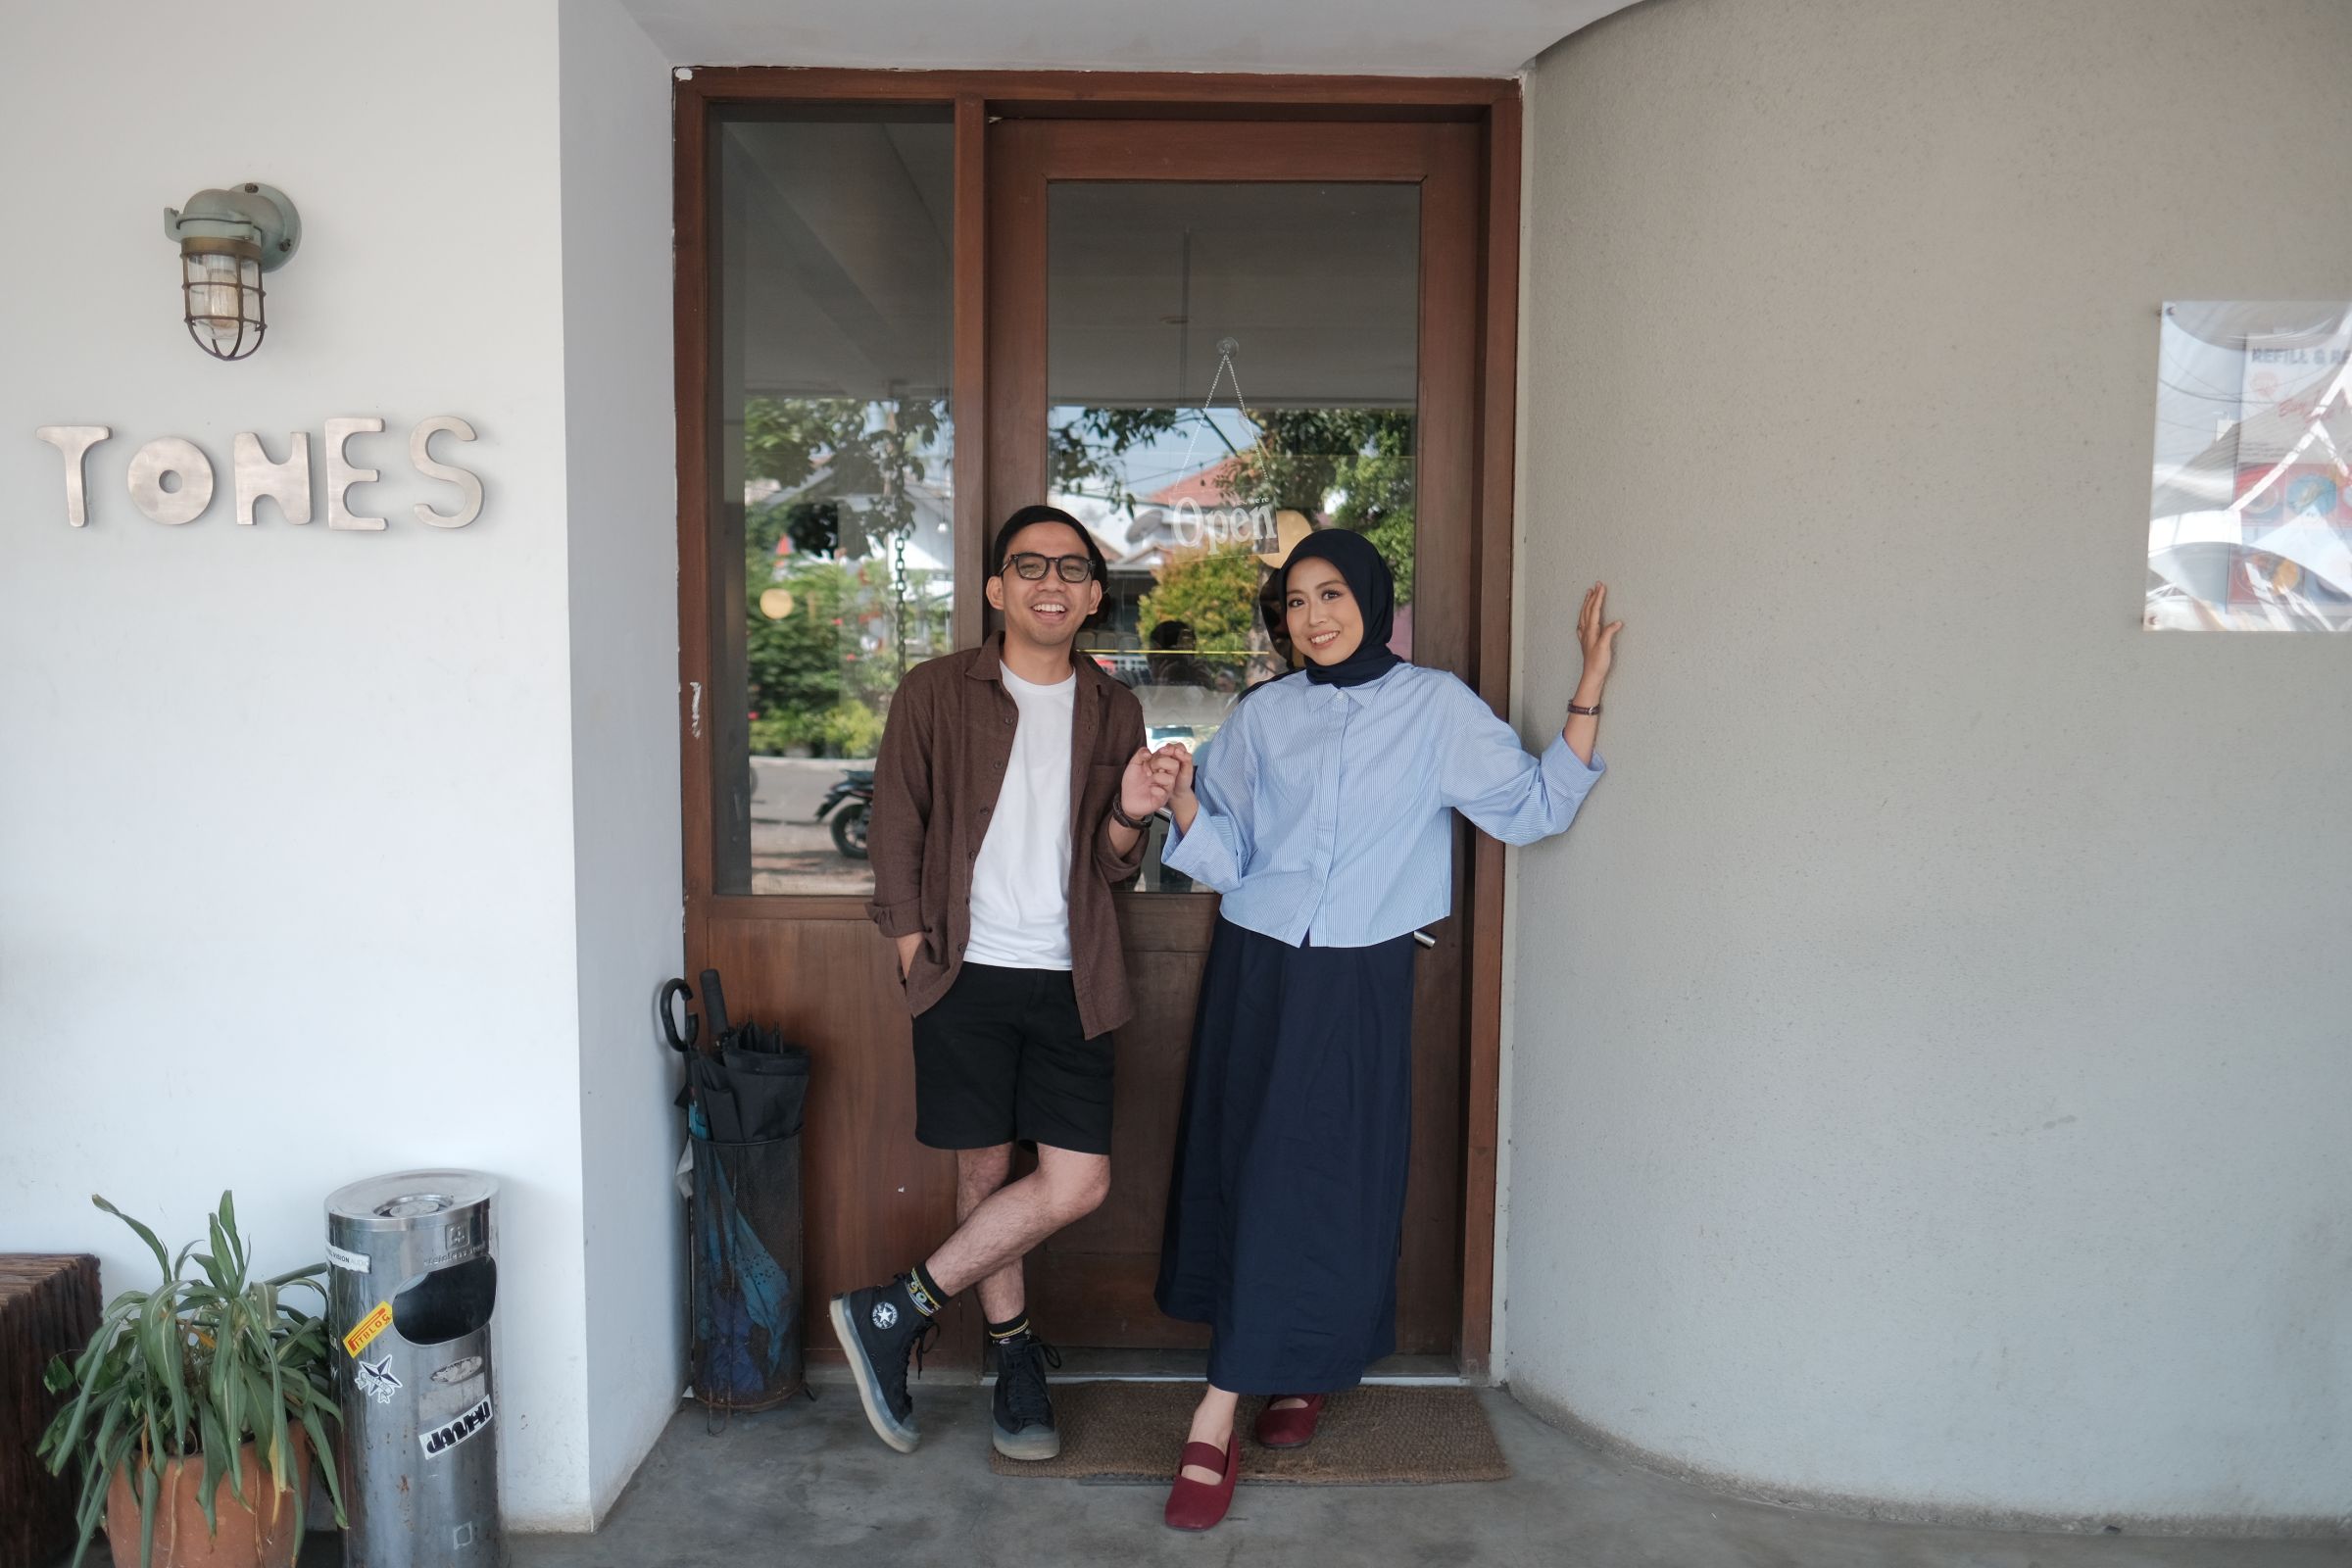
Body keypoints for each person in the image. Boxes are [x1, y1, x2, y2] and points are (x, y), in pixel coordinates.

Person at [1151, 529, 1622, 1530]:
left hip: (1360, 972)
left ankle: (1266, 1384)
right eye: (1295, 601)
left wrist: (1587, 689)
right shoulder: (1264, 715)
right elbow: (1227, 853)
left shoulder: (1435, 706)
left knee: (1331, 1175)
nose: (1313, 617)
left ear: (1373, 598)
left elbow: (1532, 810)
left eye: (1332, 594)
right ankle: (1247, 1385)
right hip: (1257, 966)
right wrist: (1185, 801)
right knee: (1250, 1168)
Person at [832, 504, 1182, 1463]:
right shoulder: (935, 692)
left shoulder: (1114, 708)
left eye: (1071, 569)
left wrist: (1130, 812)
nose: (1051, 583)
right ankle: (1015, 1362)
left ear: (1094, 596)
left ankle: (891, 1310)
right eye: (1030, 566)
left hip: (1075, 977)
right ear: (996, 589)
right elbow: (896, 829)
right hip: (965, 973)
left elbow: (1110, 867)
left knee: (1078, 1181)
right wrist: (915, 954)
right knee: (984, 1175)